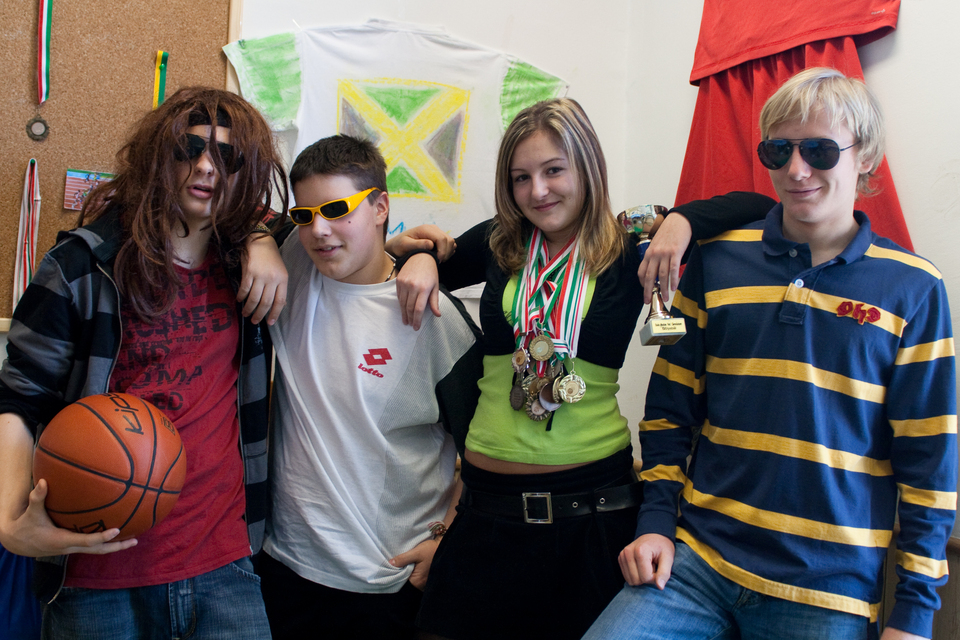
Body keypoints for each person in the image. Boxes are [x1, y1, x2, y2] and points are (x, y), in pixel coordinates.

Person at [584, 68, 957, 640]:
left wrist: (913, 615)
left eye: (819, 150)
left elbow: (929, 460)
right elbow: (669, 408)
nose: (796, 170)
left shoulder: (915, 288)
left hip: (827, 588)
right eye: (779, 151)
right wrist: (655, 521)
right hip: (696, 564)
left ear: (865, 156)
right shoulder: (717, 261)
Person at [390, 97, 772, 640]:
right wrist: (419, 257)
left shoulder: (629, 240)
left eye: (554, 170)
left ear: (587, 167)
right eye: (521, 178)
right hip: (485, 513)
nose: (538, 191)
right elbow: (413, 264)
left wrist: (682, 221)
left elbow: (758, 204)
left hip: (593, 512)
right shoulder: (501, 241)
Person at [0, 86, 290, 638]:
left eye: (228, 157)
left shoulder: (245, 267)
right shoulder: (79, 267)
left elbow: (351, 243)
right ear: (159, 156)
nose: (207, 166)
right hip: (94, 568)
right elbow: (18, 398)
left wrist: (418, 256)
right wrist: (9, 520)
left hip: (224, 561)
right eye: (190, 149)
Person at [255, 134, 483, 640]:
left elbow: (487, 447)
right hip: (283, 567)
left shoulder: (434, 318)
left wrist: (446, 536)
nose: (319, 230)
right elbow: (228, 210)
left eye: (338, 210)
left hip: (386, 580)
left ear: (381, 207)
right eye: (304, 215)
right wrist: (259, 241)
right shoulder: (293, 263)